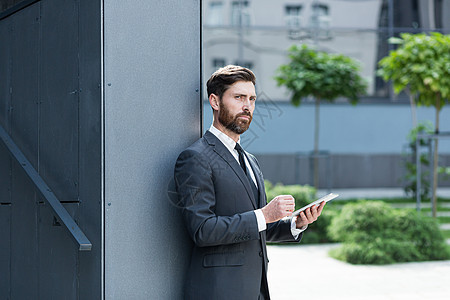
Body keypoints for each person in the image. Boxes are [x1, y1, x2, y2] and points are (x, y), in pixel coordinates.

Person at [174, 65, 325, 300]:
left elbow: (254, 228)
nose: (248, 106)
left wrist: (294, 223)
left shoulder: (250, 160)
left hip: (256, 290)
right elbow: (202, 230)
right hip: (218, 292)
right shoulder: (195, 158)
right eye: (239, 97)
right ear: (215, 101)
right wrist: (265, 215)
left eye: (252, 99)